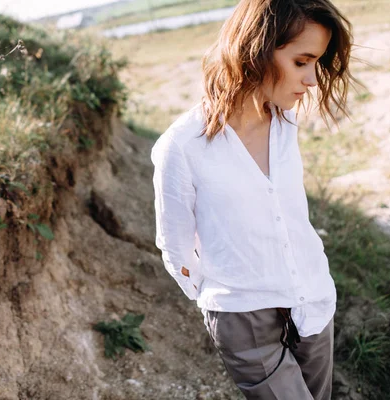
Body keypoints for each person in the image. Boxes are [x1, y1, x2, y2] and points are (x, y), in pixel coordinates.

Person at [150, 0, 356, 399]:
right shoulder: (181, 145)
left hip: (314, 300)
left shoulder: (285, 119)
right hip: (244, 321)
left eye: (316, 63)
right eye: (301, 62)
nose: (313, 78)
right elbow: (175, 248)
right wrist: (226, 299)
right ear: (256, 50)